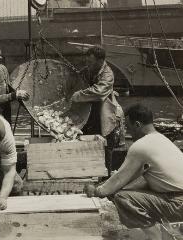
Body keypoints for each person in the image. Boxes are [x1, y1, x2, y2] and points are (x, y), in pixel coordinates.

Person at [84, 104, 183, 240]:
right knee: (137, 186)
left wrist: (96, 190)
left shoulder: (140, 146)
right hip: (177, 198)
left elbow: (118, 180)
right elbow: (137, 178)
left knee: (123, 198)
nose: (128, 132)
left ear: (137, 124)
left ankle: (156, 237)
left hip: (177, 203)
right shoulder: (163, 140)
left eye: (128, 127)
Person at [70, 45, 125, 174]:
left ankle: (106, 177)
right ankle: (89, 172)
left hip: (105, 113)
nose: (88, 64)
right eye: (87, 61)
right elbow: (77, 80)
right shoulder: (88, 70)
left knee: (106, 146)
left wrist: (77, 95)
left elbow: (99, 92)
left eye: (91, 61)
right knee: (86, 141)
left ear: (100, 61)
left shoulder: (108, 74)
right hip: (90, 114)